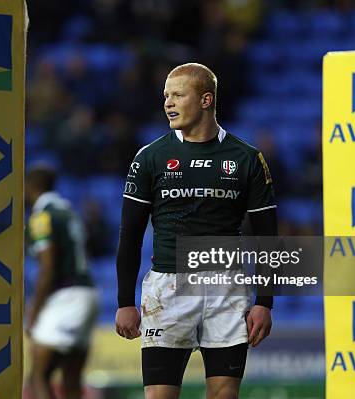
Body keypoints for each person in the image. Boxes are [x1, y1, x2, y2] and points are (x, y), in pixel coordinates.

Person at [115, 63, 276, 399]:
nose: (168, 103)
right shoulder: (150, 157)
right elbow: (129, 234)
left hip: (226, 288)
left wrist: (265, 302)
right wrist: (124, 301)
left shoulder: (247, 159)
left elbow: (268, 237)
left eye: (177, 95)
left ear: (206, 100)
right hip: (167, 290)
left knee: (224, 396)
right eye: (165, 96)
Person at [25, 165, 98, 399]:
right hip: (88, 294)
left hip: (66, 297)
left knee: (39, 375)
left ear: (31, 187)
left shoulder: (42, 216)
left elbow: (47, 267)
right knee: (71, 379)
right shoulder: (67, 210)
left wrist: (34, 313)